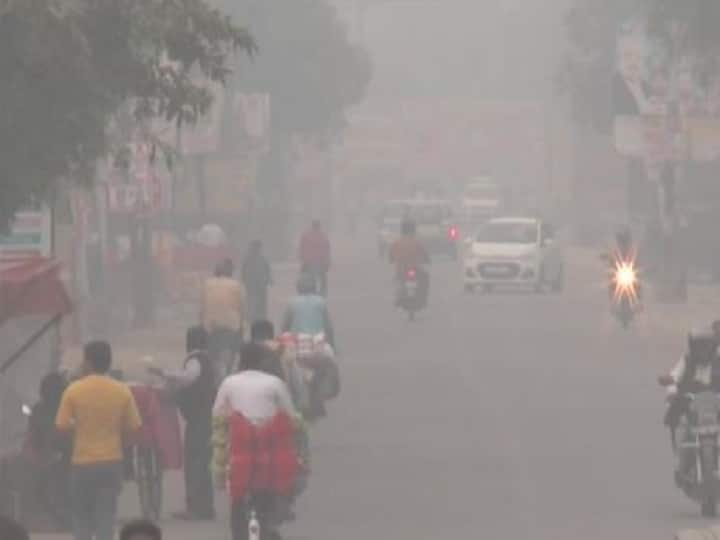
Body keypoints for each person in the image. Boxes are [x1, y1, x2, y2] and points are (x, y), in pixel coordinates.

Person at [55, 341, 142, 540]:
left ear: (88, 362)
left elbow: (61, 426)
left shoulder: (73, 390)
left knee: (81, 517)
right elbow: (135, 428)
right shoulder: (122, 391)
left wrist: (77, 434)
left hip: (82, 463)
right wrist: (121, 445)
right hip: (111, 463)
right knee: (105, 517)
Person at [212, 344, 299, 540]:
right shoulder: (274, 382)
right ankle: (270, 521)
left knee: (236, 496)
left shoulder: (229, 382)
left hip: (238, 447)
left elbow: (217, 413)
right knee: (274, 485)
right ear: (263, 362)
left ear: (240, 361)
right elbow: (290, 416)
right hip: (269, 448)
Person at [150, 326, 216, 520]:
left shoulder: (195, 359)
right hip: (205, 416)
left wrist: (163, 373)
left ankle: (196, 507)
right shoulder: (208, 359)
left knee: (195, 462)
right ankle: (204, 506)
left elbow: (186, 378)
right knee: (201, 462)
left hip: (199, 419)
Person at [659, 331, 720, 484]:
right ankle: (682, 464)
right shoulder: (686, 360)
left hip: (716, 405)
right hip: (691, 404)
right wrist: (672, 391)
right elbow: (674, 377)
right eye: (700, 347)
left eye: (706, 346)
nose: (703, 350)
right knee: (679, 423)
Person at [26, 372, 71, 529]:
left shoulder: (39, 409)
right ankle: (63, 520)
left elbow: (34, 434)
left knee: (44, 491)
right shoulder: (69, 407)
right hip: (63, 458)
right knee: (58, 492)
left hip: (51, 458)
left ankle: (59, 519)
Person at [201, 258, 247, 379]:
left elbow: (202, 306)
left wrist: (201, 324)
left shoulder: (207, 284)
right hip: (231, 324)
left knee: (211, 352)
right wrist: (242, 325)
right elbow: (241, 308)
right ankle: (228, 372)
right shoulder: (236, 285)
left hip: (211, 325)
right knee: (232, 349)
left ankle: (213, 375)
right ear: (231, 272)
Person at [281, 273, 335, 348]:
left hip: (298, 342)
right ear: (314, 287)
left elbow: (285, 327)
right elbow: (328, 327)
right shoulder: (320, 301)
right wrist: (332, 345)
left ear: (298, 288)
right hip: (318, 342)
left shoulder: (292, 303)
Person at [389, 219, 430, 305]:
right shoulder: (417, 242)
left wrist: (392, 260)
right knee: (425, 278)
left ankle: (398, 298)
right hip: (415, 269)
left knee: (398, 281)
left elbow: (391, 256)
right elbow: (424, 253)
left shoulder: (397, 242)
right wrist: (427, 260)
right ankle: (423, 299)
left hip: (401, 270)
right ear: (413, 230)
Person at [241, 240, 273, 324]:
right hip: (255, 284)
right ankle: (254, 317)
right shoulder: (250, 258)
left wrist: (269, 279)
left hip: (258, 284)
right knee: (254, 300)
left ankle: (258, 317)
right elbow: (244, 271)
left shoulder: (259, 258)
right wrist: (269, 279)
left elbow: (267, 269)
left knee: (257, 300)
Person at [299, 220, 331, 296]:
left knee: (309, 276)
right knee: (322, 277)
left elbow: (302, 247)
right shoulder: (323, 236)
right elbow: (327, 249)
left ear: (312, 226)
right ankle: (323, 292)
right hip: (320, 261)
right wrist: (327, 261)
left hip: (309, 261)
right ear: (319, 226)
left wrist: (302, 258)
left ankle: (308, 291)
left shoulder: (306, 235)